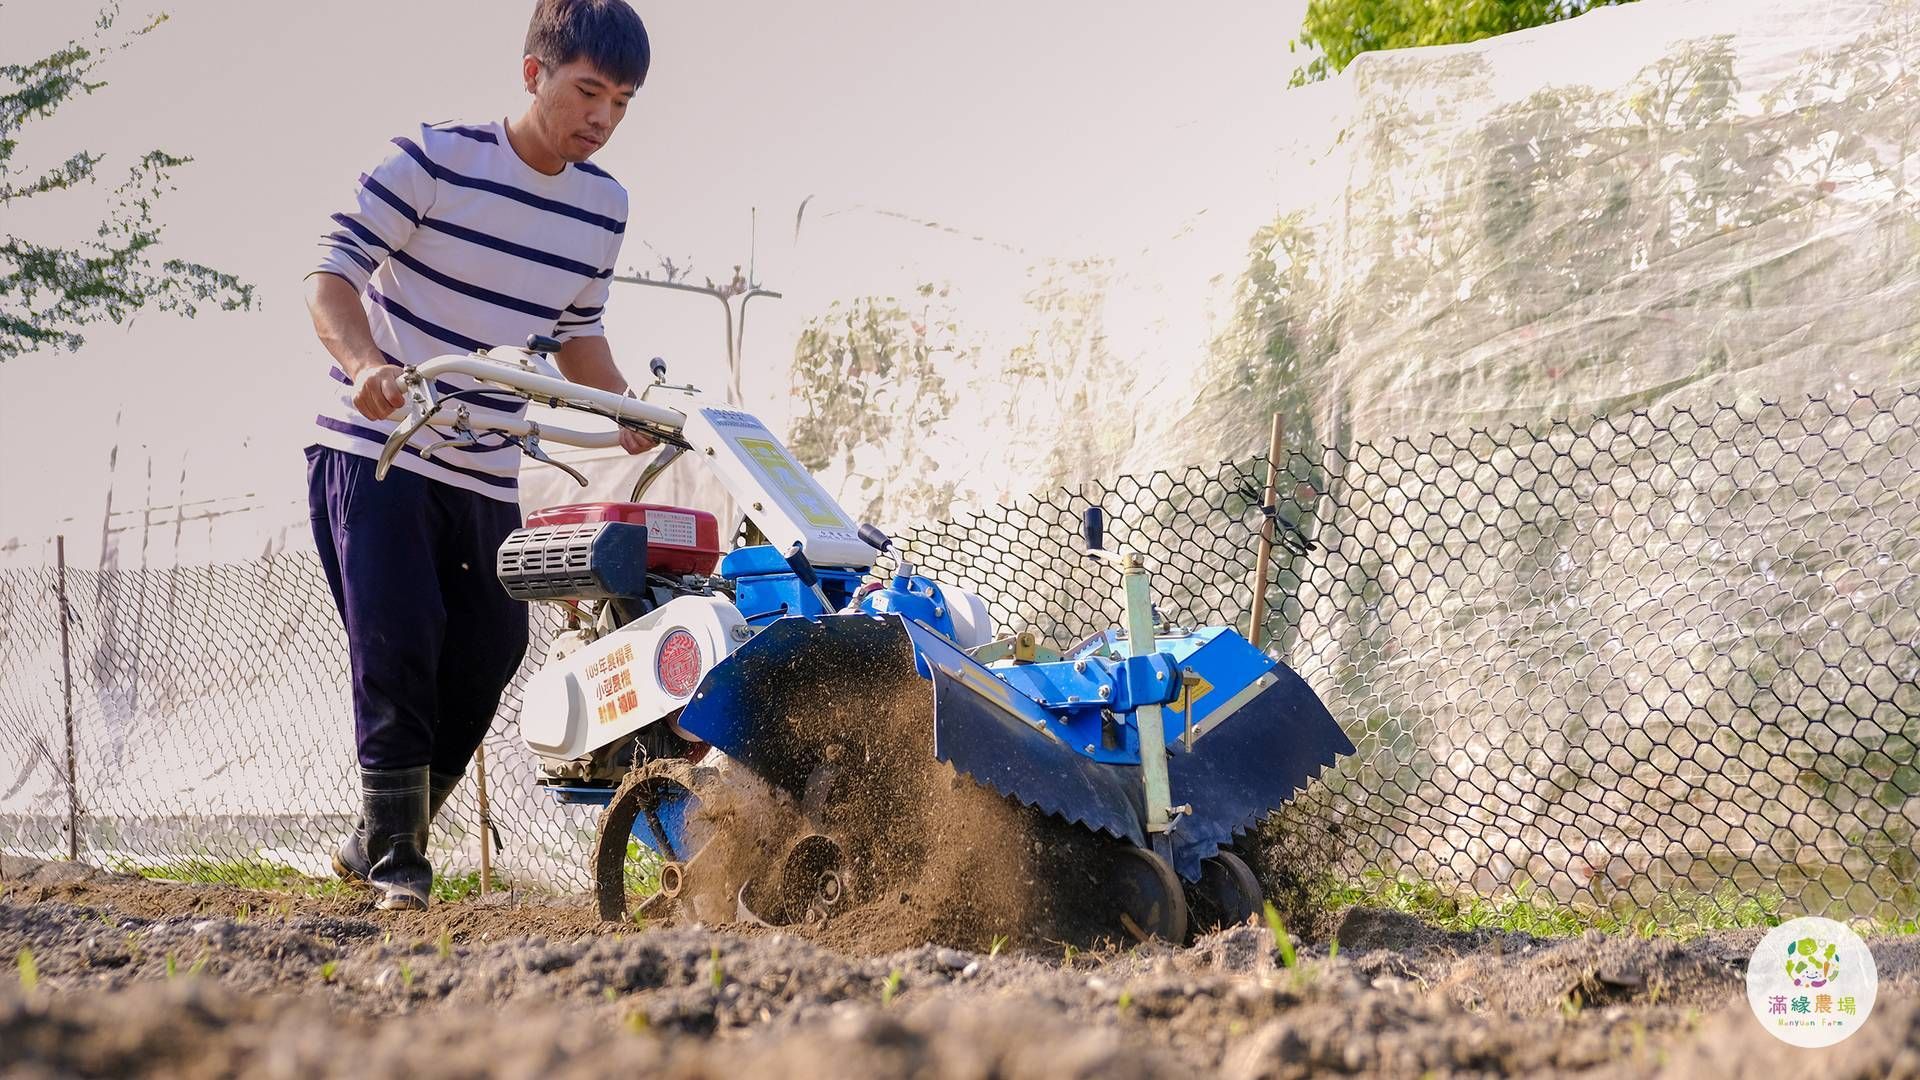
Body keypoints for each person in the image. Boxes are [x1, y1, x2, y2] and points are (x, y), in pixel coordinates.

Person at [302, 0, 656, 910]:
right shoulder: (433, 159)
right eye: (587, 92)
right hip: (381, 450)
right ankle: (399, 869)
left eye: (620, 104)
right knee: (401, 641)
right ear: (533, 73)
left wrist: (626, 413)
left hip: (486, 468)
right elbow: (331, 272)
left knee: (489, 650)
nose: (602, 119)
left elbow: (578, 333)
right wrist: (366, 366)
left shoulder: (603, 208)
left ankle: (381, 837)